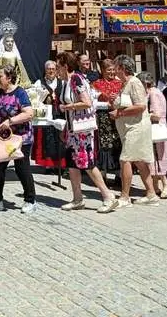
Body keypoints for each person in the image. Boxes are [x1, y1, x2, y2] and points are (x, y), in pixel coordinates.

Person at [58, 51, 120, 213]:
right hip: (73, 129)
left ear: (65, 66)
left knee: (87, 162)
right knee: (72, 164)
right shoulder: (67, 81)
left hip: (82, 130)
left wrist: (68, 107)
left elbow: (86, 102)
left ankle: (108, 196)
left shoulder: (76, 79)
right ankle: (77, 198)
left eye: (58, 66)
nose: (57, 69)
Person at [0, 65, 37, 214]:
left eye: (0, 76)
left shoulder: (20, 93)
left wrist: (10, 121)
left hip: (21, 138)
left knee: (21, 168)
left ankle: (30, 200)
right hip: (4, 138)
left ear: (9, 78)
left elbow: (29, 114)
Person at [112, 58, 159, 207]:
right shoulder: (126, 84)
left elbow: (141, 106)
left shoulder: (134, 82)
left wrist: (119, 113)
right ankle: (151, 193)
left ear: (121, 68)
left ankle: (125, 197)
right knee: (139, 160)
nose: (113, 70)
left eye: (115, 67)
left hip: (136, 128)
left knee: (125, 159)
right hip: (129, 128)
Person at [92, 58, 124, 187]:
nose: (111, 72)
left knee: (119, 143)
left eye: (113, 69)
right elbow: (92, 102)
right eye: (108, 70)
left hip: (118, 116)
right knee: (104, 144)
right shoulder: (96, 84)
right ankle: (103, 174)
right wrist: (105, 100)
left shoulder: (120, 83)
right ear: (103, 71)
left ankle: (119, 175)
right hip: (103, 117)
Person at [32, 60, 66, 173]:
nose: (51, 71)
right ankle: (49, 165)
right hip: (47, 115)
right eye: (48, 69)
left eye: (53, 69)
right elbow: (35, 100)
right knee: (48, 140)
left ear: (56, 70)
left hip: (60, 114)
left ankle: (60, 165)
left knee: (60, 139)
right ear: (45, 70)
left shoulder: (62, 83)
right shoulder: (39, 83)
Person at [143, 72, 167, 199]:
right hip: (157, 127)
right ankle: (155, 186)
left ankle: (166, 184)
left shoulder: (153, 93)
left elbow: (156, 114)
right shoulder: (154, 92)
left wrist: (143, 114)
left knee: (157, 157)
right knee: (155, 158)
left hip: (156, 128)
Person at [0, 17, 31, 88]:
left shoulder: (15, 55)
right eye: (7, 41)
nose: (10, 43)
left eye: (11, 41)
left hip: (14, 82)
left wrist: (17, 81)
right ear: (3, 43)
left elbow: (19, 70)